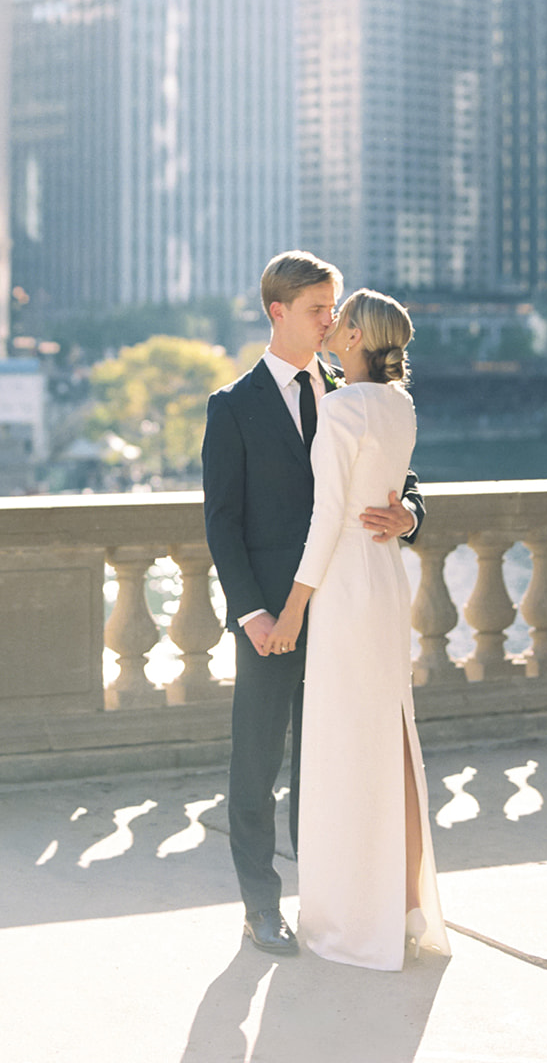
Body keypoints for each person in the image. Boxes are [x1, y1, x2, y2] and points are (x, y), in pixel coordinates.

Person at [202, 252, 424, 957]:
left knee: (326, 765)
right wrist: (252, 613)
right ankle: (259, 908)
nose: (331, 319)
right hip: (273, 614)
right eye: (316, 309)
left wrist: (410, 516)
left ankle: (326, 901)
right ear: (278, 312)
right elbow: (221, 523)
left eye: (335, 309)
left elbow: (405, 479)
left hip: (345, 611)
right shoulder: (232, 406)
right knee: (257, 764)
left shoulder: (351, 388)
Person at [267, 289, 451, 969]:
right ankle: (402, 903)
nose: (331, 324)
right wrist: (403, 516)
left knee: (344, 744)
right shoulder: (398, 404)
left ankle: (351, 915)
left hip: (345, 582)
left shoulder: (342, 406)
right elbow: (388, 491)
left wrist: (293, 607)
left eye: (341, 321)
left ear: (356, 339)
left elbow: (327, 518)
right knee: (389, 735)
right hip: (383, 577)